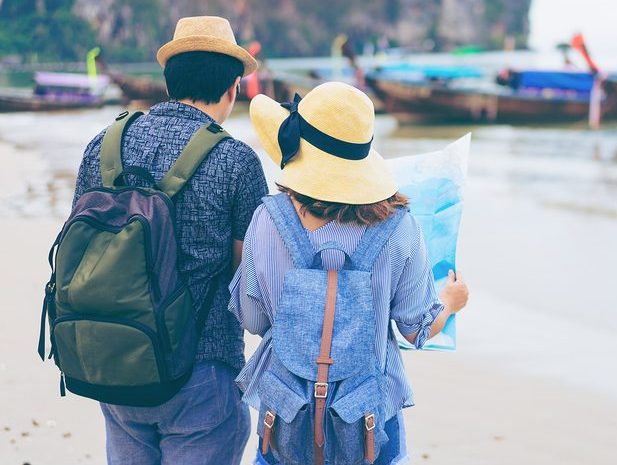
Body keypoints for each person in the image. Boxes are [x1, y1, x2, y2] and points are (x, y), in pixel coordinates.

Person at [230, 82, 469, 465]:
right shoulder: (399, 228)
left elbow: (253, 319)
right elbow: (415, 330)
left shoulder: (267, 220)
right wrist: (451, 302)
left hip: (285, 417)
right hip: (371, 423)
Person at [70, 16, 268, 465]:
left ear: (169, 79)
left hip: (116, 363)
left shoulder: (104, 145)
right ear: (233, 87)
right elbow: (249, 277)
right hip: (200, 371)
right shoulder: (236, 161)